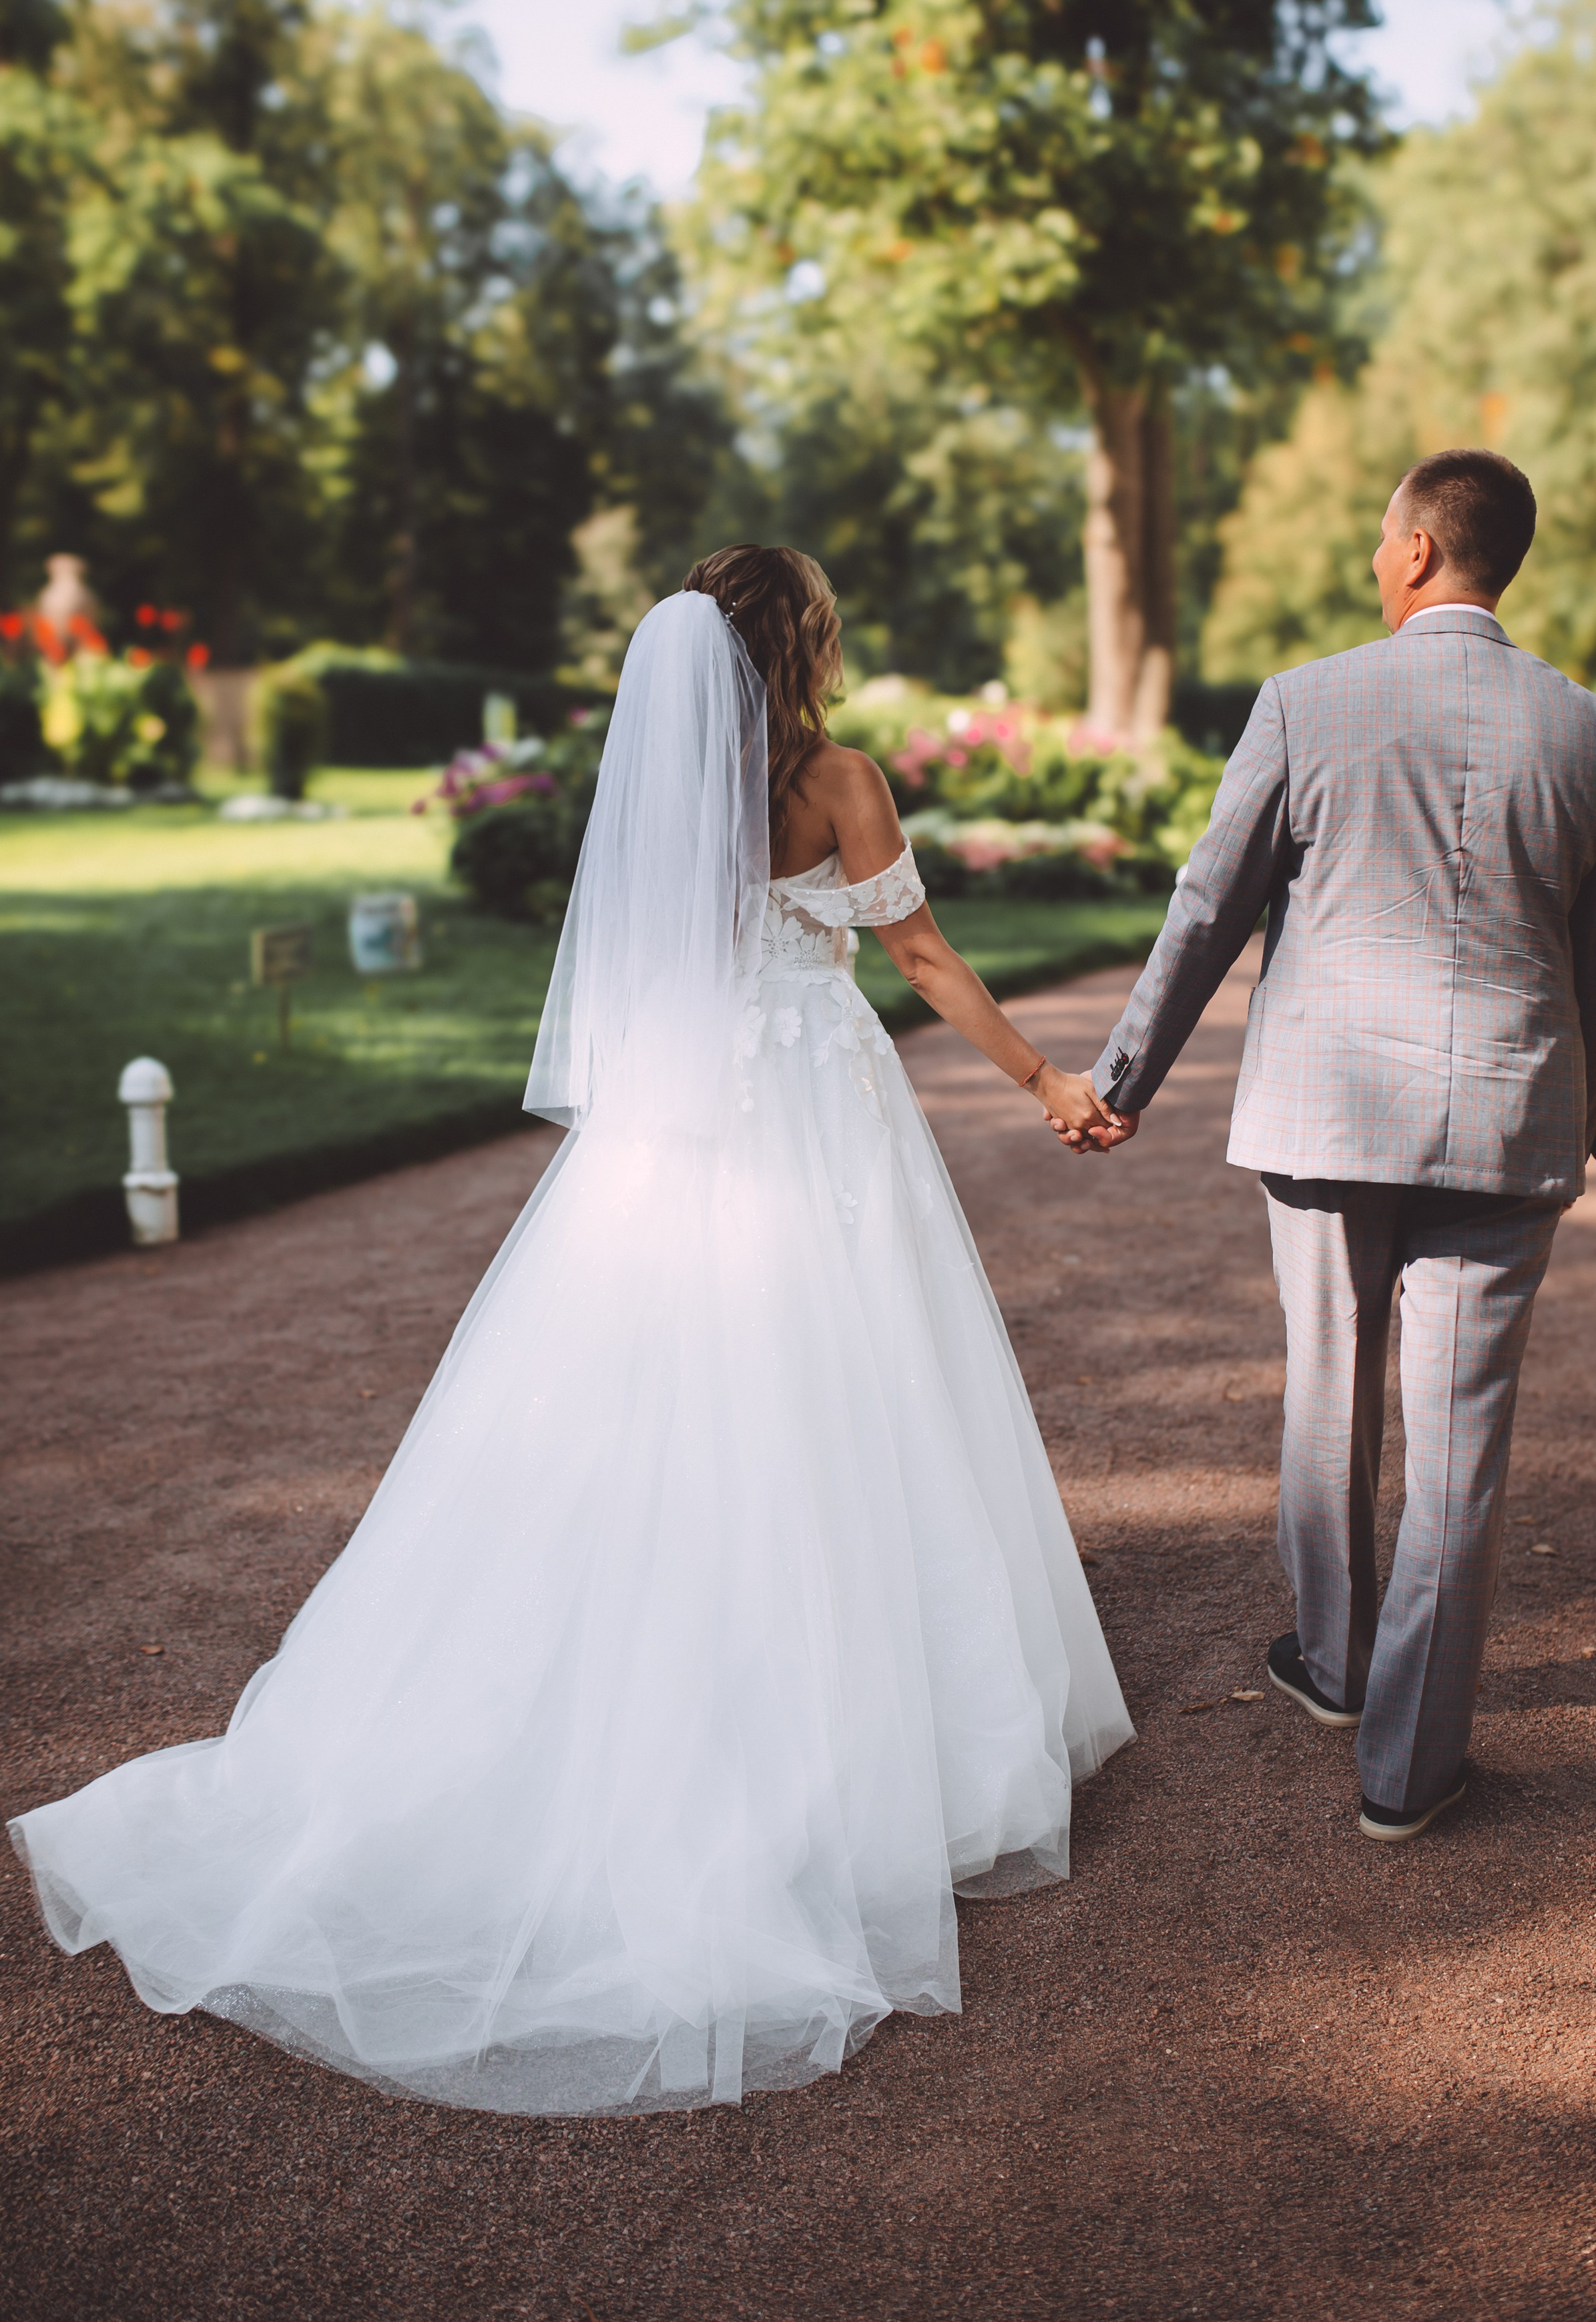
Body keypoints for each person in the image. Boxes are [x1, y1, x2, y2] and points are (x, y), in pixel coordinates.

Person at [11, 546, 1133, 2117]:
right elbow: (922, 955)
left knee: (647, 1401)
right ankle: (866, 1723)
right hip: (812, 1109)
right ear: (795, 644)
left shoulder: (663, 790)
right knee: (848, 1392)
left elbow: (637, 971)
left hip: (665, 1140)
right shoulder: (838, 780)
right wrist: (1044, 1083)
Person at [1056, 451, 1596, 1842]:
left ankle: (1330, 1667)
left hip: (1326, 1120)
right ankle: (1407, 1774)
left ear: (1415, 552)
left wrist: (1123, 1073)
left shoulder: (1304, 702)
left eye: (1382, 536)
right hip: (1506, 1126)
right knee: (1460, 1450)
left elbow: (1208, 904)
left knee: (1328, 1391)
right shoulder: (1592, 732)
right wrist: (1579, 1115)